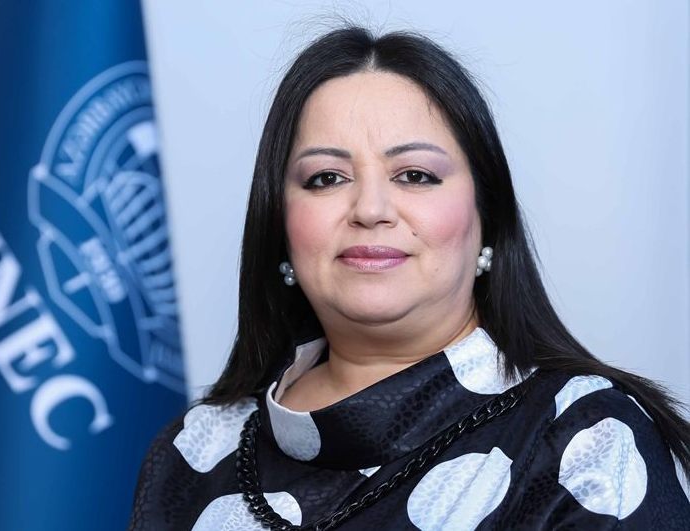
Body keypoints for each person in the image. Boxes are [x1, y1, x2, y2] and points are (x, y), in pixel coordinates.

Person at [128, 26, 690, 530]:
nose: (370, 209)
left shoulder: (584, 435)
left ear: (487, 217)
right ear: (279, 225)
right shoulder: (197, 448)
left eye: (415, 175)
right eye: (326, 178)